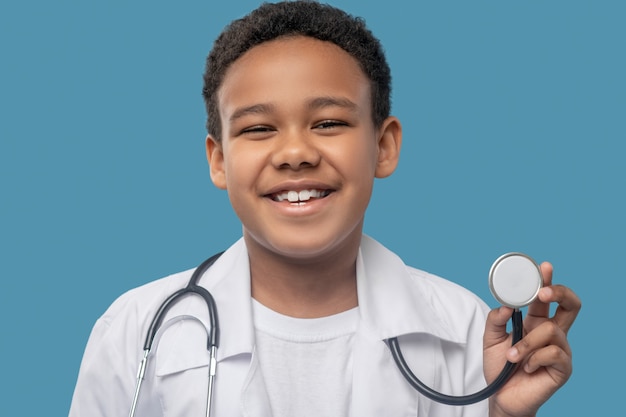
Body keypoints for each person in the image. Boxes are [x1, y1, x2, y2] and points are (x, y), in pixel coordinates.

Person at [69, 1, 581, 416]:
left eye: (329, 123)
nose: (295, 153)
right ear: (219, 160)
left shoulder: (465, 332)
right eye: (257, 128)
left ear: (384, 147)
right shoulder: (137, 330)